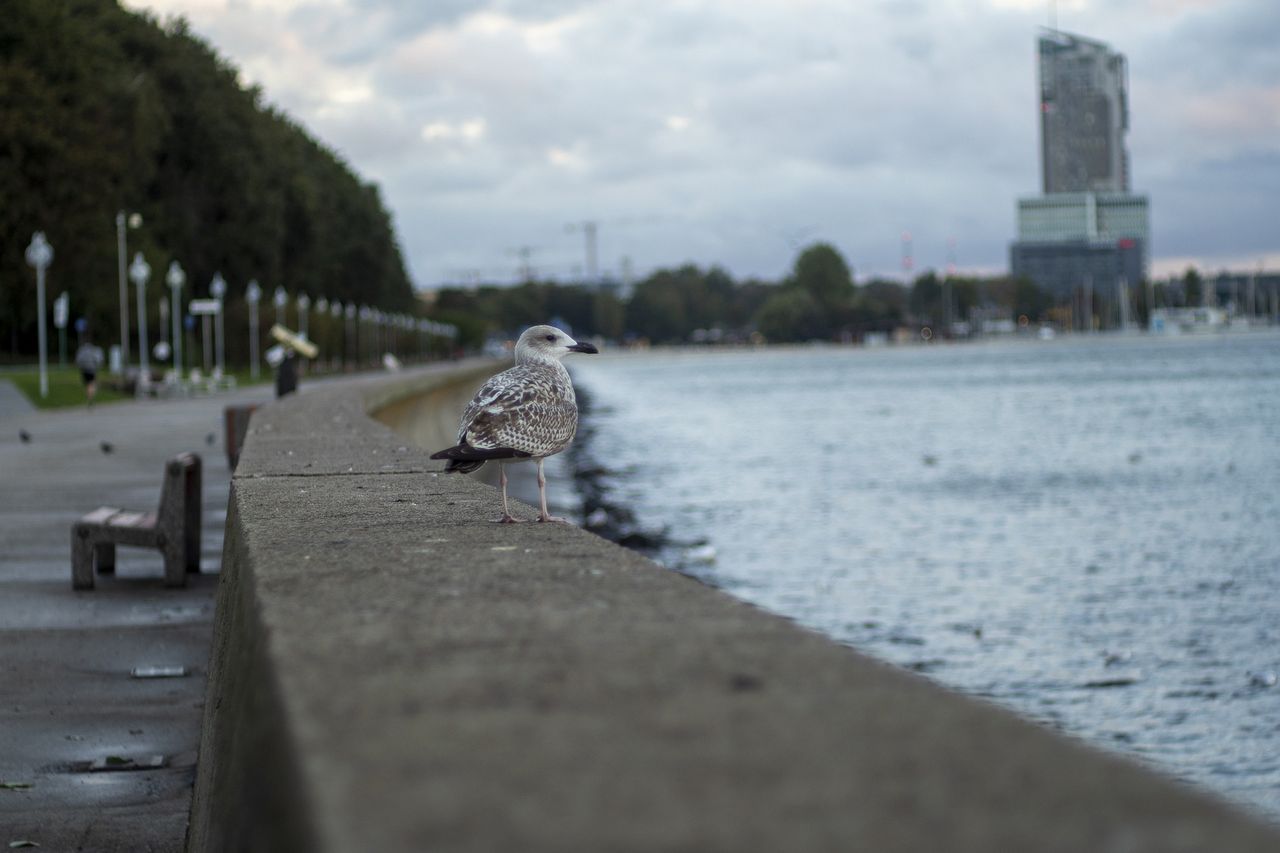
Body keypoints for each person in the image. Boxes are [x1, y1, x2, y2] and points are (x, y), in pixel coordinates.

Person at [75, 335, 105, 406]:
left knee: (87, 384)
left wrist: (80, 366)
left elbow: (78, 360)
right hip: (92, 370)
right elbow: (99, 360)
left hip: (84, 370)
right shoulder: (94, 350)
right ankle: (90, 397)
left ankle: (89, 396)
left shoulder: (82, 350)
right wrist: (99, 366)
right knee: (92, 384)